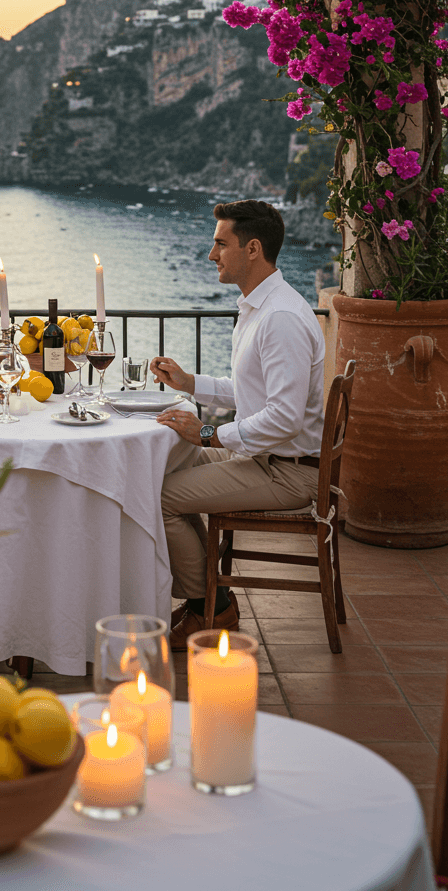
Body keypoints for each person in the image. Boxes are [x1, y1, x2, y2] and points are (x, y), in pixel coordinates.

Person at [151, 199, 325, 649]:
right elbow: (254, 394)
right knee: (160, 469)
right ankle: (212, 594)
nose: (212, 255)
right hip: (263, 455)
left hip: (286, 470)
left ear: (252, 249)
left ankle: (207, 606)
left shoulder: (280, 318)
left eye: (220, 244)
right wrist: (190, 383)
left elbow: (284, 419)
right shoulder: (261, 308)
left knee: (161, 497)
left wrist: (208, 433)